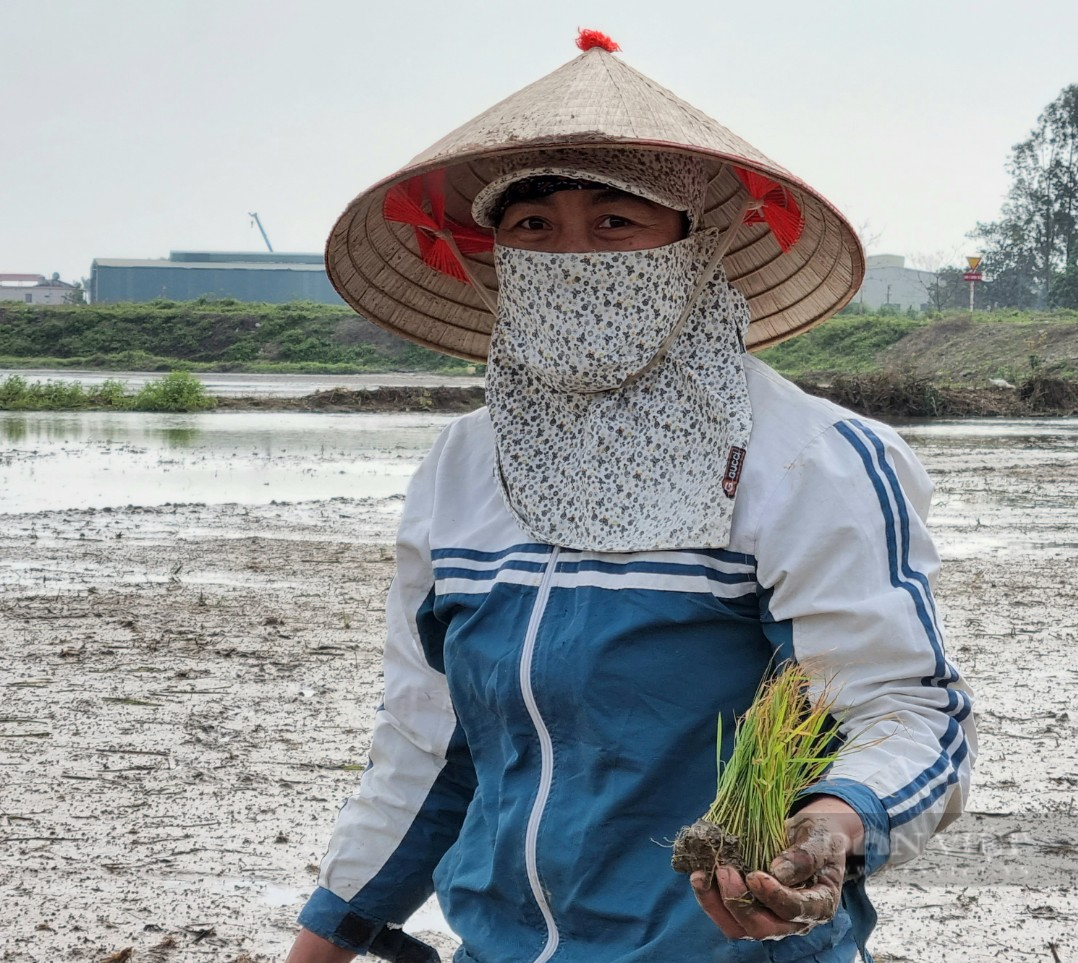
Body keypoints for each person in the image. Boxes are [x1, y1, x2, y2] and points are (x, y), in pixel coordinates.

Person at [286, 30, 974, 963]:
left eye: (616, 224)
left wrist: (832, 824)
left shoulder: (806, 461)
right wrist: (328, 934)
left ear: (695, 247)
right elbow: (426, 742)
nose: (573, 258)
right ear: (497, 255)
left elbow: (902, 707)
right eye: (534, 227)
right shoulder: (461, 467)